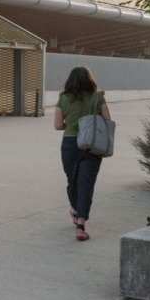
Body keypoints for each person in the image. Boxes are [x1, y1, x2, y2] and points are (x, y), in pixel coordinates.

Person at [53, 65, 110, 241]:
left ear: (70, 81)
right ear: (89, 80)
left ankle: (77, 215)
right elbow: (108, 122)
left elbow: (57, 126)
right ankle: (80, 221)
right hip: (91, 145)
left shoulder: (63, 99)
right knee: (86, 184)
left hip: (70, 143)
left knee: (73, 181)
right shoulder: (98, 98)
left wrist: (72, 124)